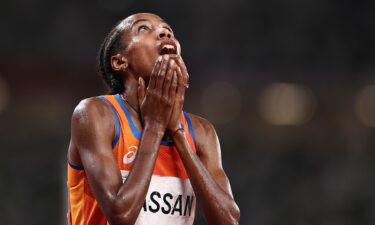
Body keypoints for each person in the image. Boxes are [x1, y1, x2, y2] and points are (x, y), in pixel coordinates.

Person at [67, 12, 240, 225]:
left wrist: (177, 132)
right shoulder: (97, 114)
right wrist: (155, 126)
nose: (164, 32)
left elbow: (229, 220)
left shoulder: (201, 131)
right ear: (120, 61)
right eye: (143, 28)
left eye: (168, 30)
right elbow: (120, 216)